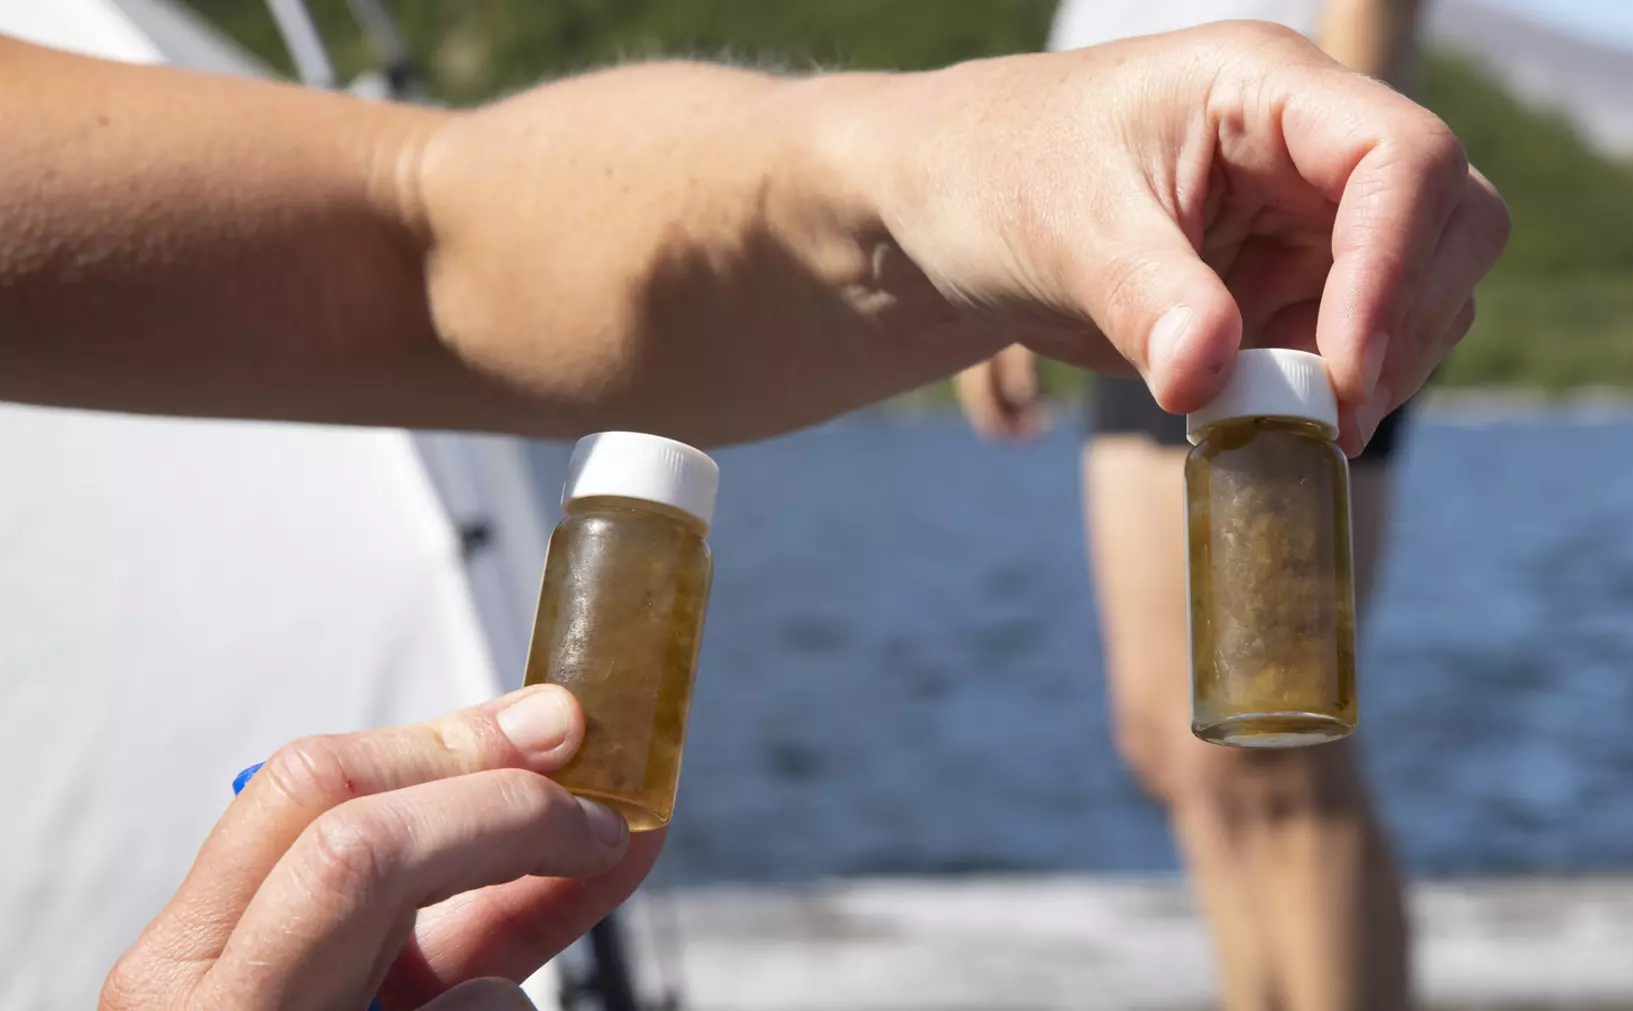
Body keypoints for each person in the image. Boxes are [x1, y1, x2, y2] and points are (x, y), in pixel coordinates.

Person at [0, 20, 1505, 1009]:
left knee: (1267, 768)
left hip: (1242, 266)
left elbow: (418, 226)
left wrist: (960, 188)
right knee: (1192, 744)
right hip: (1203, 279)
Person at [954, 3, 1428, 1009]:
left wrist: (1328, 199)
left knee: (1282, 746)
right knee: (1174, 739)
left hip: (1281, 215)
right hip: (1131, 216)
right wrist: (1014, 238)